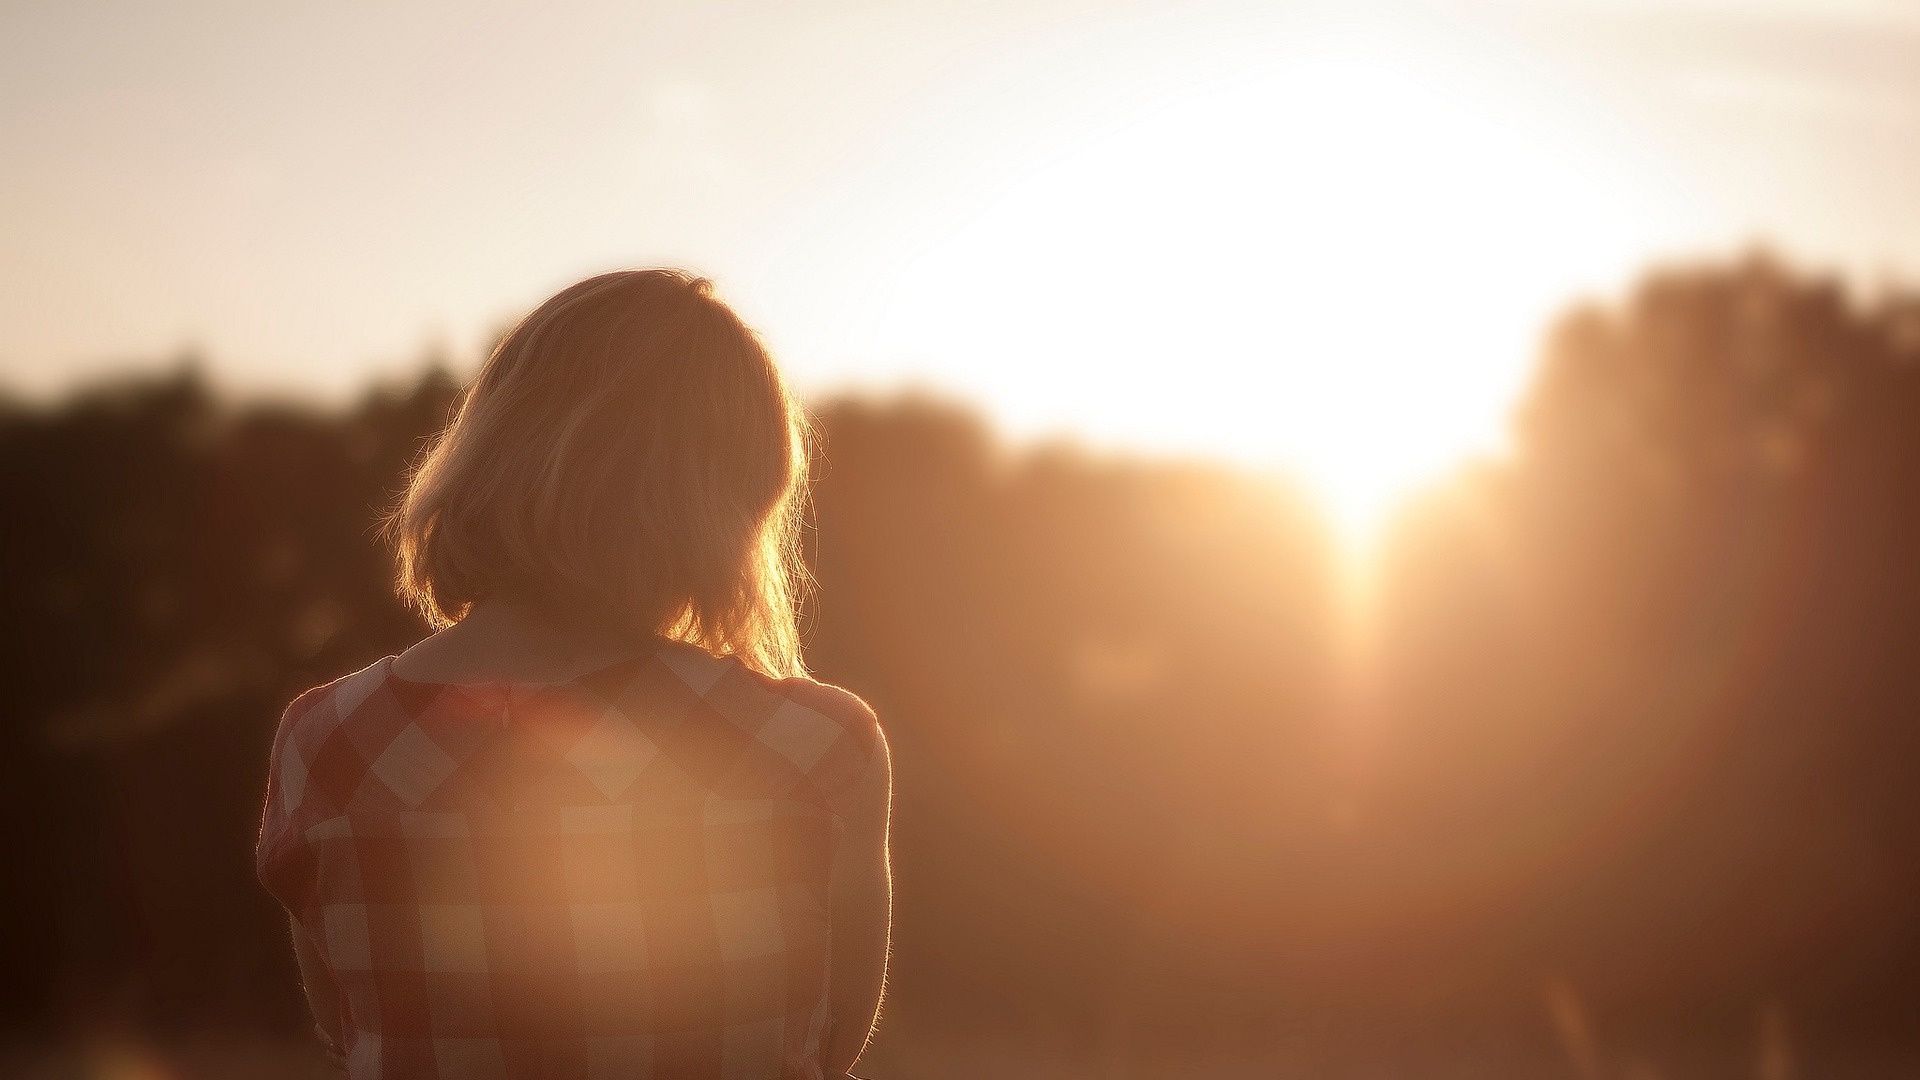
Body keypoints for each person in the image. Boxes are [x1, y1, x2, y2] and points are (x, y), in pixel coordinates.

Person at [255, 270, 892, 1079]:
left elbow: (346, 1026)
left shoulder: (327, 742)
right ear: (730, 501)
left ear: (489, 447)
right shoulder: (817, 746)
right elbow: (828, 1047)